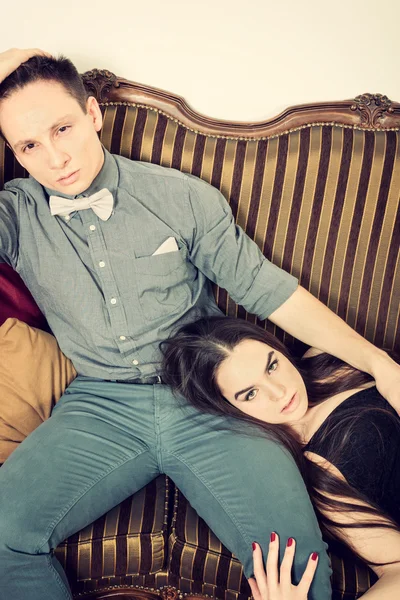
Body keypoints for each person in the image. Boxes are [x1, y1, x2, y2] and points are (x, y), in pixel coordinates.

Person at [0, 47, 399, 600]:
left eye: (62, 128)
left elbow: (269, 289)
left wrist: (377, 361)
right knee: (2, 536)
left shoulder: (180, 197)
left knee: (299, 575)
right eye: (28, 145)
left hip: (209, 397)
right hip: (99, 404)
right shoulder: (16, 217)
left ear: (93, 114)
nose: (54, 158)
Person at [161, 316, 400, 598]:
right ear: (227, 409)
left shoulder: (325, 355)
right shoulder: (320, 472)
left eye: (272, 366)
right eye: (250, 394)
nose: (280, 392)